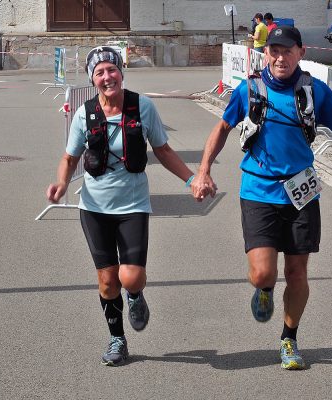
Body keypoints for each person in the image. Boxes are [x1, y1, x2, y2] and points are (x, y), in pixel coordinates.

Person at [192, 26, 332, 370]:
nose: (280, 58)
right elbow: (222, 128)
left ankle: (289, 338)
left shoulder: (314, 91)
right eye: (274, 51)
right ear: (266, 54)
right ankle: (264, 290)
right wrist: (204, 170)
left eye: (287, 51)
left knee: (297, 271)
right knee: (264, 273)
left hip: (301, 192)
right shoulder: (249, 89)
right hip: (258, 189)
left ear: (300, 53)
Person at [45, 46, 196, 366]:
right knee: (107, 279)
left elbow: (164, 151)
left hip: (133, 205)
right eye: (99, 72)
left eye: (111, 70)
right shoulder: (84, 114)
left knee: (130, 278)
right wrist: (60, 183)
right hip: (94, 208)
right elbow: (70, 157)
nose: (106, 76)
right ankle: (117, 338)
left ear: (121, 73)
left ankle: (136, 296)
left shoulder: (143, 107)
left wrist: (191, 180)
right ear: (92, 79)